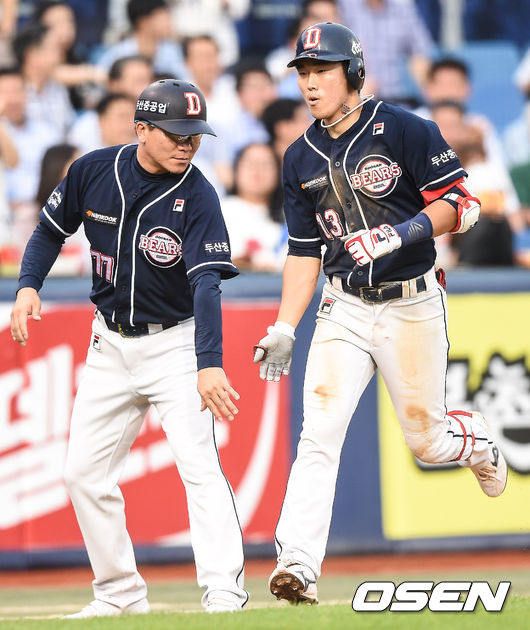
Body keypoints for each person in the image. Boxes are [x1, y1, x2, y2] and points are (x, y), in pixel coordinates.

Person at [252, 22, 508, 605]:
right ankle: (297, 565)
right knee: (318, 434)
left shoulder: (404, 128)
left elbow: (464, 206)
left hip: (411, 301)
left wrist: (400, 233)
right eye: (304, 72)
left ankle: (474, 442)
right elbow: (303, 252)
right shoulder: (298, 156)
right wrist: (285, 325)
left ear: (354, 72)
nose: (310, 83)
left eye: (322, 71)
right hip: (343, 305)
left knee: (427, 441)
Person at [10, 79, 248, 617]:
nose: (188, 144)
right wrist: (28, 285)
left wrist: (209, 363)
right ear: (142, 128)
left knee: (199, 467)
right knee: (82, 474)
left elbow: (207, 284)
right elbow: (49, 231)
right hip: (110, 344)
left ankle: (225, 592)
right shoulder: (94, 170)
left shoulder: (199, 194)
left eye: (195, 134)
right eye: (176, 133)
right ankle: (119, 593)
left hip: (175, 342)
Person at [221, 142, 285, 271]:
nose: (257, 171)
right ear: (236, 169)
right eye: (250, 163)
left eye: (265, 165)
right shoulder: (218, 210)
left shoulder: (291, 216)